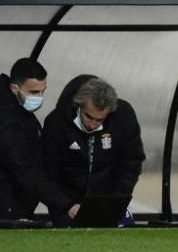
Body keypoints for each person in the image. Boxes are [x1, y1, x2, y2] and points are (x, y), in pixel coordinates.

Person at [41, 75, 145, 227]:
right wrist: (65, 205)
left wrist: (116, 200)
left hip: (109, 200)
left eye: (100, 120)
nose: (93, 124)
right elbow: (47, 172)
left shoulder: (123, 116)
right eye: (89, 117)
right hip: (67, 204)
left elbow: (131, 162)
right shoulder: (56, 123)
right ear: (79, 106)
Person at [0, 58, 51, 221]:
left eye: (43, 91)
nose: (40, 97)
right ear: (14, 88)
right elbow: (23, 169)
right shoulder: (8, 120)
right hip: (8, 204)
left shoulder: (19, 110)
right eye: (34, 92)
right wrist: (63, 203)